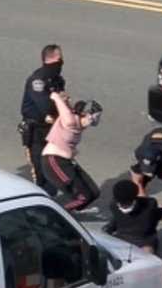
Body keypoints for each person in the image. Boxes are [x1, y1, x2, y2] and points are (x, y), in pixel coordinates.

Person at [40, 93, 102, 212]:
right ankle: (59, 214)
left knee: (94, 192)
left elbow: (90, 120)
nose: (91, 119)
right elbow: (62, 106)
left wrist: (67, 101)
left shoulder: (79, 123)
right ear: (83, 114)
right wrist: (57, 97)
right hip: (53, 161)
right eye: (91, 116)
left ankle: (71, 210)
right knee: (84, 196)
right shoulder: (69, 121)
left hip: (66, 161)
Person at [20, 45, 66, 196]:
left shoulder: (57, 80)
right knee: (40, 172)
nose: (62, 63)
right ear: (49, 60)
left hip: (53, 131)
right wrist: (59, 101)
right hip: (36, 132)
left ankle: (50, 200)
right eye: (59, 60)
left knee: (53, 169)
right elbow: (45, 106)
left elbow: (62, 103)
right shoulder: (38, 80)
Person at [103, 179, 162, 254]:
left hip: (133, 240)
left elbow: (116, 220)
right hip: (133, 239)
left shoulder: (113, 205)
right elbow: (156, 216)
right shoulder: (150, 204)